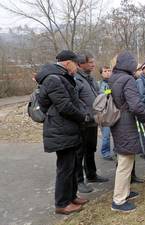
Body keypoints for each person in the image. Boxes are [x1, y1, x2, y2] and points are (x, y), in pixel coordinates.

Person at [36, 50, 89, 214]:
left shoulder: (62, 77)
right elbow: (65, 106)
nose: (77, 68)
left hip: (68, 128)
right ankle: (61, 203)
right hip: (61, 129)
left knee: (72, 165)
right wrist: (83, 117)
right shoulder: (53, 79)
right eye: (76, 65)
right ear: (67, 63)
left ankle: (72, 196)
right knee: (65, 168)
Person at [109, 51, 145, 212]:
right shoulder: (128, 79)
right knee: (125, 162)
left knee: (125, 158)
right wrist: (144, 116)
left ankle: (124, 191)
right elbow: (136, 105)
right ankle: (118, 200)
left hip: (118, 121)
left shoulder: (114, 77)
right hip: (126, 123)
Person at [75, 51, 108, 194]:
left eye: (93, 62)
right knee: (79, 152)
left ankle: (91, 174)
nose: (93, 64)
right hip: (82, 122)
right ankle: (79, 181)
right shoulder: (76, 79)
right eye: (90, 62)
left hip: (93, 121)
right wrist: (85, 115)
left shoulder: (91, 78)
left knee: (91, 148)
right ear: (80, 64)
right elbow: (75, 102)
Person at [98, 66, 113, 160]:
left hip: (114, 112)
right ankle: (106, 153)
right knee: (106, 135)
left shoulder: (114, 82)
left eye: (109, 70)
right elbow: (102, 94)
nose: (108, 72)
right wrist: (111, 91)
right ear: (101, 73)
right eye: (105, 71)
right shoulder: (98, 84)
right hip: (104, 113)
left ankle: (117, 151)